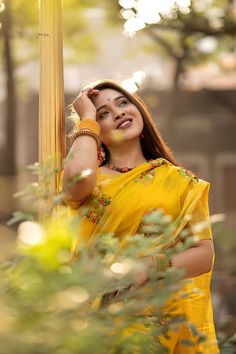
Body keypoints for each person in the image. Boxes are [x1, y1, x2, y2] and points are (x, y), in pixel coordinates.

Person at [62, 80, 219, 353]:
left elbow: (204, 254)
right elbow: (76, 180)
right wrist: (86, 118)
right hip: (94, 320)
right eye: (104, 113)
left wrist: (149, 266)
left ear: (139, 109)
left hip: (157, 320)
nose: (119, 112)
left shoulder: (179, 182)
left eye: (123, 103)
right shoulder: (93, 182)